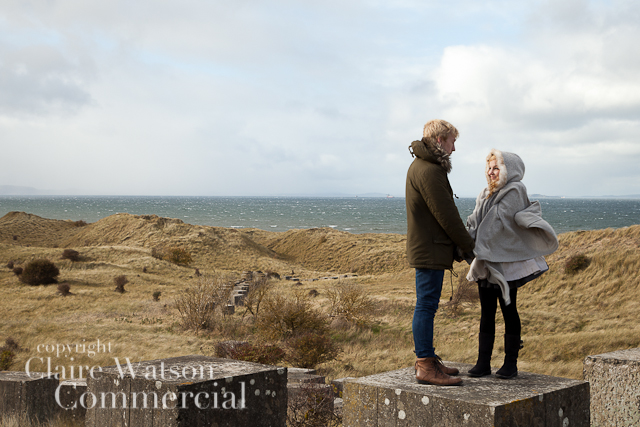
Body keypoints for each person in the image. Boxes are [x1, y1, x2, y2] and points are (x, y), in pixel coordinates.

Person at [466, 149, 558, 379]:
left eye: (496, 168)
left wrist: (477, 241)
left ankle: (510, 364)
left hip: (507, 263)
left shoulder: (516, 189)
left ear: (509, 170)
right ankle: (483, 363)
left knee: (509, 310)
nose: (491, 172)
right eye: (489, 168)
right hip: (487, 262)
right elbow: (476, 220)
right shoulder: (484, 193)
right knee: (486, 312)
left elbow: (498, 220)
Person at [406, 119, 475, 386]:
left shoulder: (423, 166)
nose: (454, 148)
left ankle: (428, 359)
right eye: (452, 141)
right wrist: (468, 247)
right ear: (439, 140)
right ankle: (424, 364)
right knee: (425, 305)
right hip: (430, 248)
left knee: (427, 304)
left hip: (429, 246)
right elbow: (446, 214)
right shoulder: (429, 170)